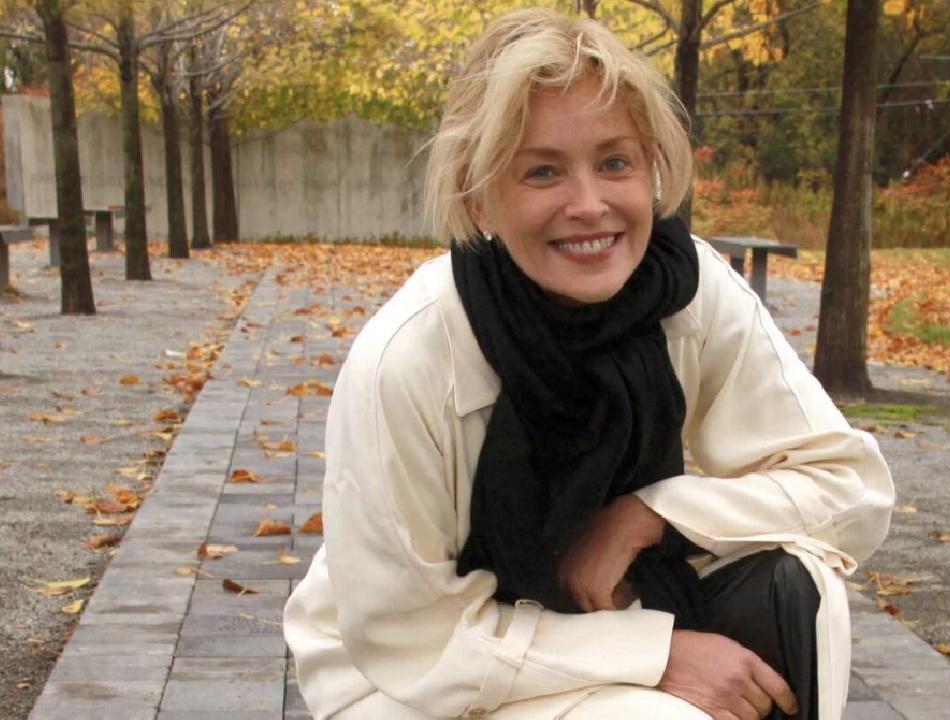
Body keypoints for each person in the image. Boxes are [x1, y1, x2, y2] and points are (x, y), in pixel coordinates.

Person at [282, 8, 894, 720]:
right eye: (542, 171)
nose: (590, 204)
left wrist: (651, 513)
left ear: (652, 167)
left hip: (600, 609)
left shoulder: (686, 292)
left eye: (614, 162)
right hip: (407, 675)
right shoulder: (411, 357)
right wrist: (655, 656)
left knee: (803, 585)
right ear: (478, 198)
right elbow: (411, 636)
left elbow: (849, 490)